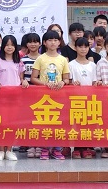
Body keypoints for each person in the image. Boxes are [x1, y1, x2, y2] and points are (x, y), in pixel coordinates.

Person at [30, 30, 69, 161]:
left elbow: (66, 78)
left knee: (59, 123)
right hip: (43, 97)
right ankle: (45, 149)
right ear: (45, 43)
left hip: (59, 96)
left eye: (55, 40)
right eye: (50, 40)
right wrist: (45, 84)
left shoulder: (63, 59)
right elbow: (33, 78)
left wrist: (62, 82)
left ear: (59, 42)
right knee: (45, 123)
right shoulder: (40, 58)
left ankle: (57, 149)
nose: (53, 43)